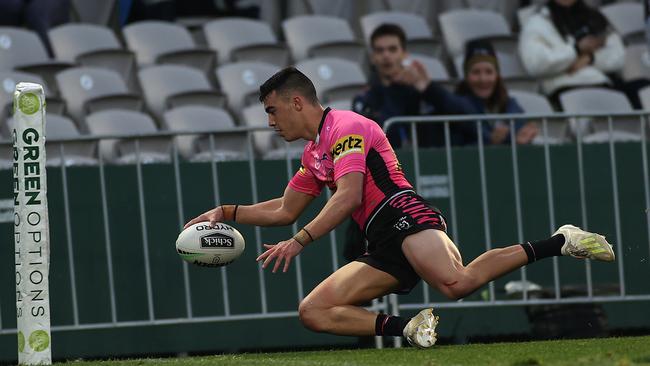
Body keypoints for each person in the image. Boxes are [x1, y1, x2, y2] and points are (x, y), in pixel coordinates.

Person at [185, 67, 615, 348]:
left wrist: (299, 243)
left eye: (273, 110)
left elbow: (350, 196)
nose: (271, 122)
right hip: (380, 235)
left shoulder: (346, 128)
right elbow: (284, 209)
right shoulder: (313, 153)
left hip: (400, 212)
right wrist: (224, 212)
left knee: (457, 284)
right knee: (312, 312)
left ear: (297, 102)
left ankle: (562, 240)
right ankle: (407, 328)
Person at [395, 39, 539, 145]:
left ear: (497, 75)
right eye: (476, 72)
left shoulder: (509, 104)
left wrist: (521, 135)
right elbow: (462, 112)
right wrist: (426, 86)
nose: (483, 79)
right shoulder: (457, 106)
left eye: (489, 72)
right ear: (466, 76)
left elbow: (520, 126)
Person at [352, 23, 443, 148]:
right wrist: (393, 88)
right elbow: (383, 137)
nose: (386, 55)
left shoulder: (418, 91)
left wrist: (428, 88)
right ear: (373, 58)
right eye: (380, 51)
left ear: (405, 54)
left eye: (392, 49)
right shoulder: (364, 98)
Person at [519, 0, 625, 106]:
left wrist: (591, 58)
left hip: (602, 83)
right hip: (563, 88)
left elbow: (619, 56)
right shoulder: (537, 23)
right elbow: (536, 64)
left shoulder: (595, 18)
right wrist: (575, 50)